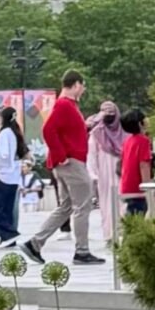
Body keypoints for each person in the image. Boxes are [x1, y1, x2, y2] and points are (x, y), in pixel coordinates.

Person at [22, 71, 103, 267]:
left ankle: (35, 243)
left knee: (66, 207)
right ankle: (82, 251)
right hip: (72, 163)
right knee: (82, 206)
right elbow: (48, 130)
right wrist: (61, 155)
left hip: (68, 162)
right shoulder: (64, 105)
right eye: (82, 86)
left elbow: (65, 131)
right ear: (76, 85)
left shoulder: (69, 106)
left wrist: (85, 126)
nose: (83, 90)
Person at [86, 101, 125, 245]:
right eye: (105, 112)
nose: (109, 116)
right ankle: (109, 235)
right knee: (106, 203)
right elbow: (91, 154)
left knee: (123, 201)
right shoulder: (97, 132)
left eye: (111, 112)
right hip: (104, 173)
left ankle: (123, 233)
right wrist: (94, 174)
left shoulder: (124, 130)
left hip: (122, 171)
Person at [0, 105, 24, 246]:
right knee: (6, 207)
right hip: (13, 175)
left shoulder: (5, 132)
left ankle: (8, 233)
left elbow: (3, 154)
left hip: (3, 174)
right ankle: (6, 236)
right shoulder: (14, 132)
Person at [119, 110, 154, 219]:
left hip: (127, 185)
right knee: (139, 216)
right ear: (140, 123)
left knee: (132, 213)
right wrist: (148, 187)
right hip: (137, 187)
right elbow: (144, 165)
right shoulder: (143, 141)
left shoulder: (127, 141)